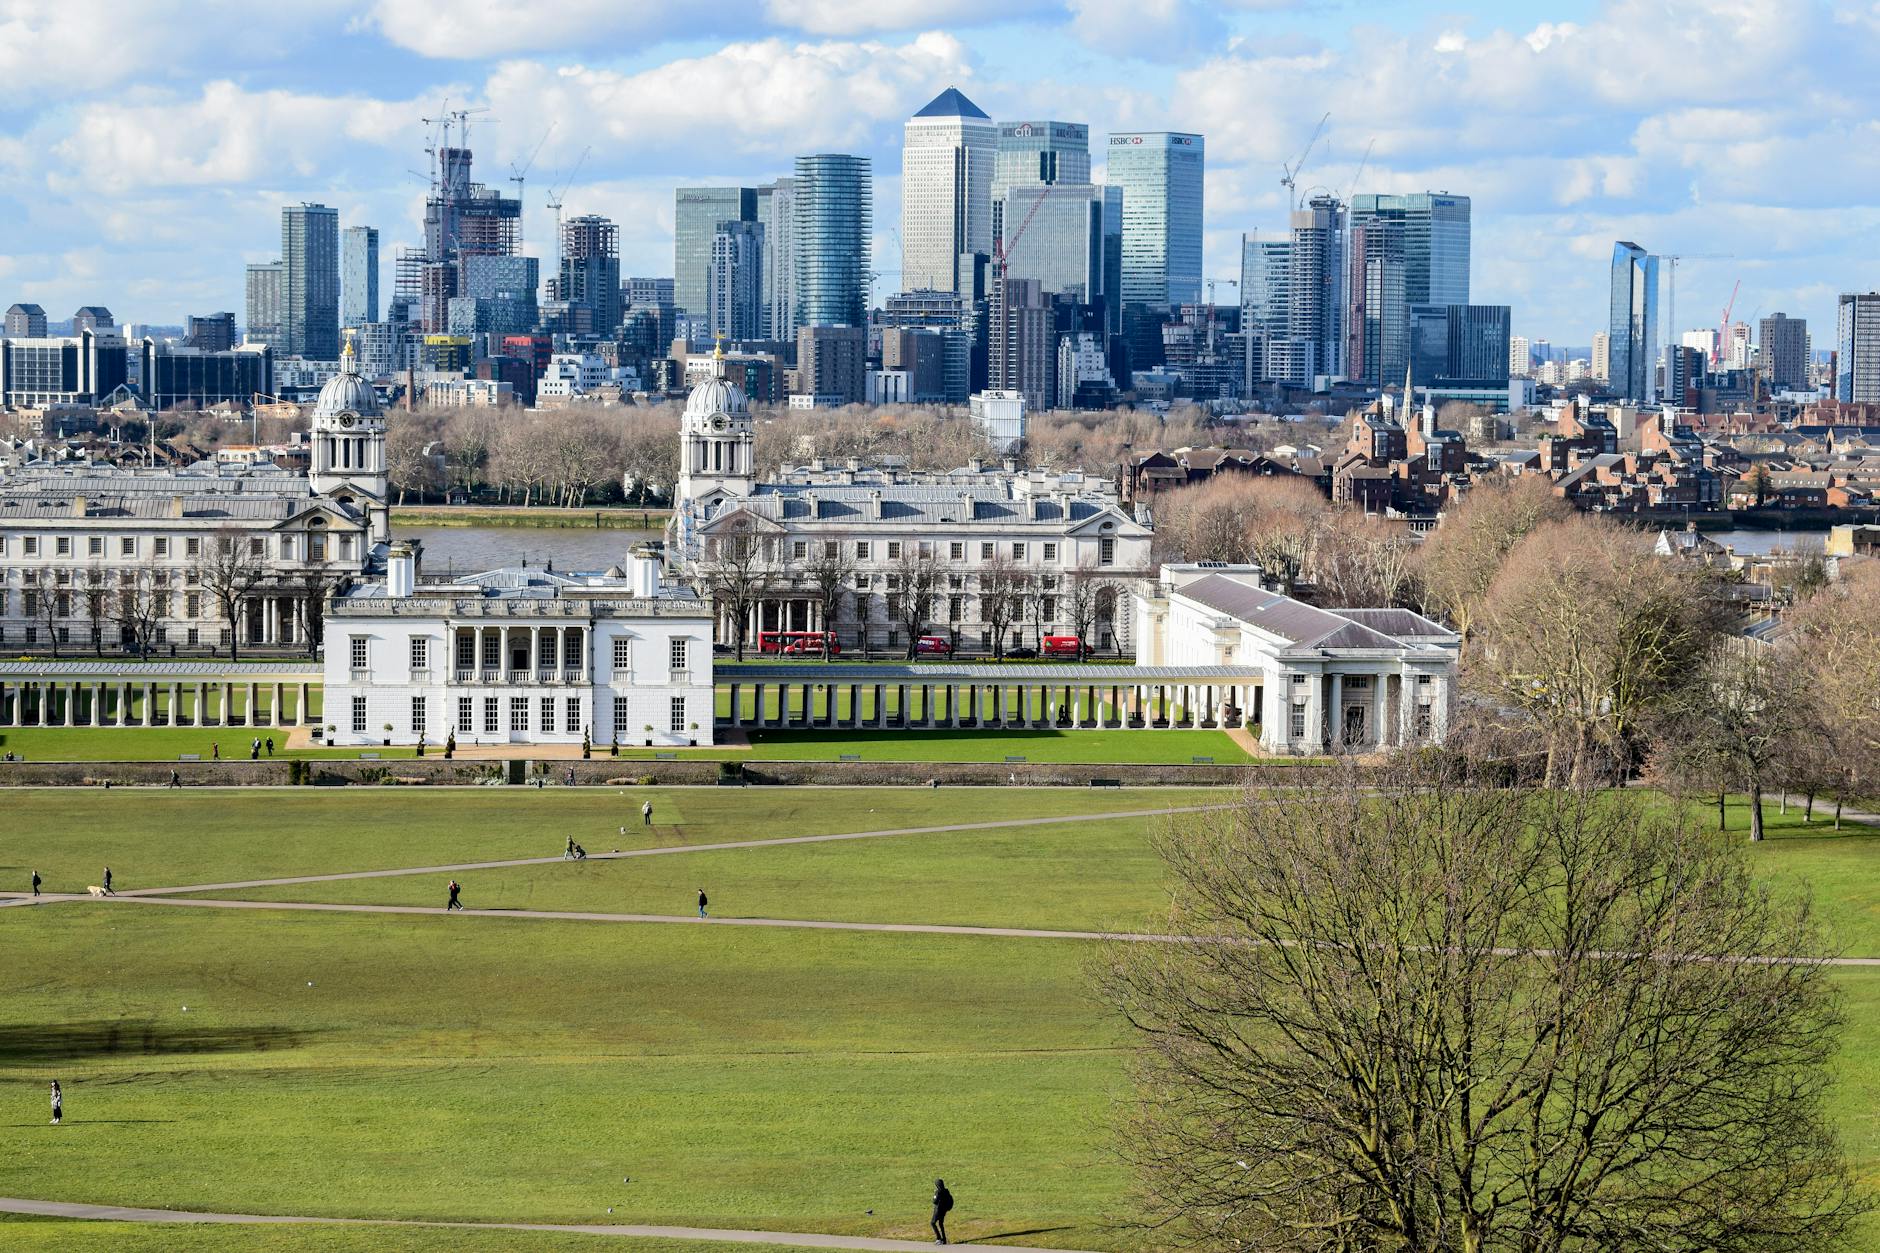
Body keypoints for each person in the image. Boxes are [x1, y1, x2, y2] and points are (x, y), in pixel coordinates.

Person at [931, 1179, 953, 1244]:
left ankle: (938, 1238)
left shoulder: (938, 1192)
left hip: (937, 1211)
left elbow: (934, 1201)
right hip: (944, 1211)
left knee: (932, 1223)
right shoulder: (946, 1192)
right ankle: (944, 1239)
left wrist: (934, 1194)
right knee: (940, 1224)